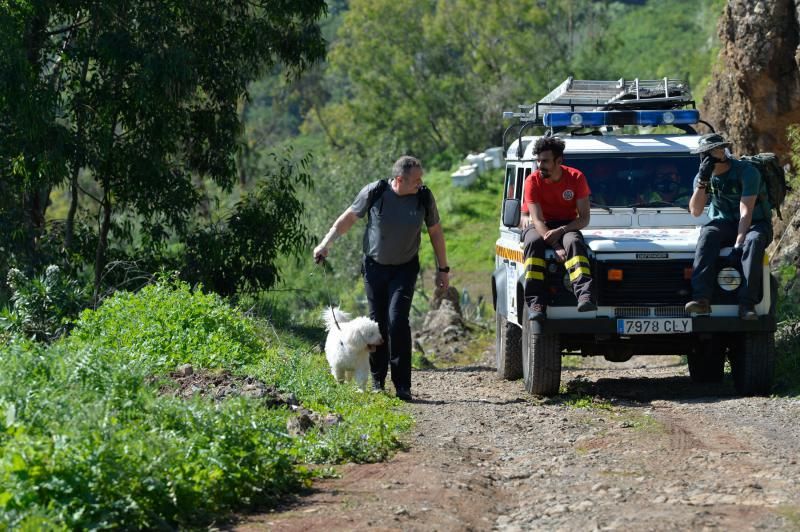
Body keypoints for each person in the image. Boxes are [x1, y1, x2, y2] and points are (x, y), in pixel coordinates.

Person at [313, 156, 449, 401]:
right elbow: (348, 220)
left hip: (405, 269)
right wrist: (325, 244)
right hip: (375, 267)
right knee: (378, 323)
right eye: (416, 179)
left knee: (397, 320)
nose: (421, 183)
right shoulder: (375, 192)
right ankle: (377, 379)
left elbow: (435, 232)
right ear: (399, 179)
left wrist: (443, 268)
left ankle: (402, 385)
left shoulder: (423, 197)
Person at [684, 133, 772, 320]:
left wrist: (739, 243)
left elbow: (745, 211)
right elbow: (696, 211)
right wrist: (703, 181)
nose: (706, 157)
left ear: (722, 152)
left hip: (755, 223)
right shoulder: (703, 178)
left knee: (753, 241)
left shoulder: (746, 172)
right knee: (707, 234)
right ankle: (702, 300)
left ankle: (747, 304)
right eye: (703, 154)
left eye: (711, 152)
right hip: (724, 222)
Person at [521, 136, 596, 321]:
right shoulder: (532, 181)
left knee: (575, 242)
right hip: (540, 224)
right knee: (532, 242)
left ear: (559, 161)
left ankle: (584, 295)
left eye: (545, 161)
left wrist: (561, 232)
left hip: (567, 223)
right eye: (538, 160)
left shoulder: (576, 177)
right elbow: (537, 220)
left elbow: (584, 218)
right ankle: (536, 303)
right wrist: (555, 245)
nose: (540, 165)